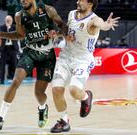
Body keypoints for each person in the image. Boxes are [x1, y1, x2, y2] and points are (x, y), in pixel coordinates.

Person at [0, 0, 67, 131]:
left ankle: (43, 108)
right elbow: (20, 35)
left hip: (47, 57)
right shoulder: (19, 15)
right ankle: (0, 118)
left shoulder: (48, 10)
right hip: (29, 53)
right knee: (15, 82)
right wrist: (0, 34)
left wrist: (56, 33)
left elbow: (63, 26)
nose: (22, 1)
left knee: (39, 93)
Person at [50, 0, 120, 133]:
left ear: (90, 3)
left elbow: (102, 25)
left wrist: (107, 24)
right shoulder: (72, 14)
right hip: (65, 56)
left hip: (82, 60)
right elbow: (66, 30)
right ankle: (64, 121)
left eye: (81, 0)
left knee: (74, 91)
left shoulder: (94, 20)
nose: (77, 2)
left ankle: (85, 97)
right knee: (56, 90)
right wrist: (60, 35)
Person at [0, 15, 19, 84]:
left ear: (12, 21)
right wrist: (7, 28)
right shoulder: (2, 27)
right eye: (7, 20)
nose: (8, 21)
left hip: (13, 47)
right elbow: (2, 35)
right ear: (5, 21)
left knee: (14, 64)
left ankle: (15, 79)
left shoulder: (15, 27)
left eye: (9, 20)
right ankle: (1, 80)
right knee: (2, 65)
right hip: (4, 48)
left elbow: (14, 35)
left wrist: (9, 29)